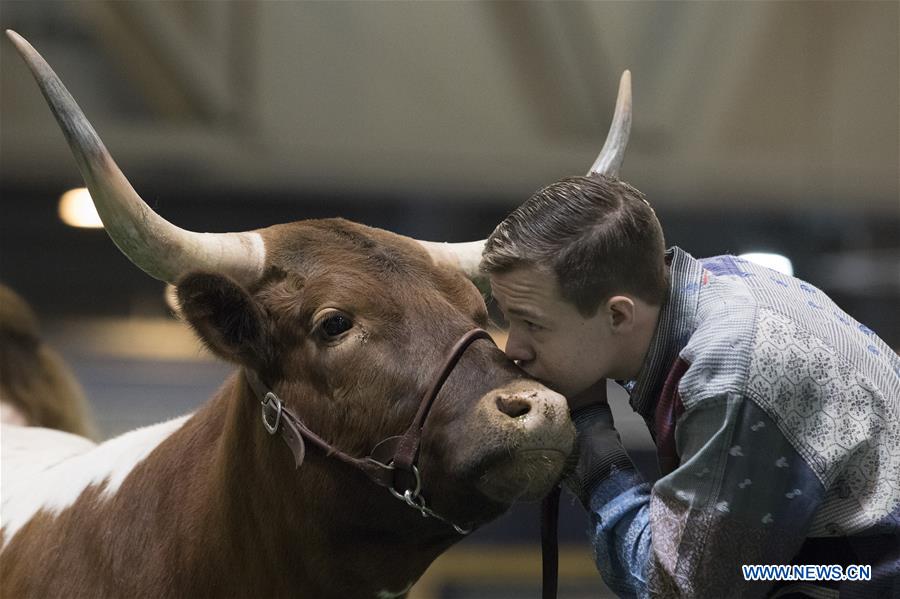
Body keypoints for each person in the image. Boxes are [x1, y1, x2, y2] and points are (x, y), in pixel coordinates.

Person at [480, 174, 899, 597]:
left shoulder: (728, 372)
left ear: (618, 315)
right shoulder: (726, 280)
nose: (514, 348)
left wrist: (589, 434)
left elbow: (679, 588)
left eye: (532, 323)